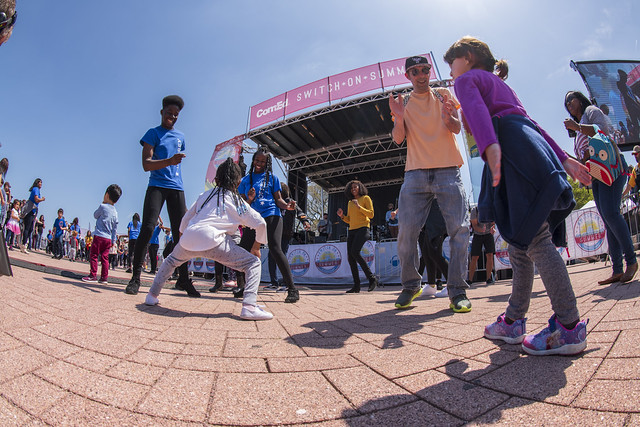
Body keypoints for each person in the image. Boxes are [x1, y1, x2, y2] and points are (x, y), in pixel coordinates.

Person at [445, 36, 591, 355]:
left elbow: (477, 112)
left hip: (507, 148)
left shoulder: (467, 79)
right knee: (519, 245)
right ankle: (513, 320)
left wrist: (490, 145)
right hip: (527, 145)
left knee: (535, 240)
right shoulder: (501, 85)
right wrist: (564, 159)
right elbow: (532, 123)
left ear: (467, 57)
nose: (451, 71)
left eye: (451, 63)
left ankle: (568, 326)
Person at [388, 55, 470, 312]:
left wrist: (450, 119)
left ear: (429, 71)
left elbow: (457, 128)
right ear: (408, 76)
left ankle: (457, 291)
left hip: (448, 170)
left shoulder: (444, 93)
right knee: (406, 233)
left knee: (459, 230)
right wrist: (399, 117)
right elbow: (398, 139)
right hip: (415, 173)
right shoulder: (405, 101)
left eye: (425, 69)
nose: (421, 75)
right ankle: (411, 285)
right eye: (415, 71)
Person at [145, 158, 273, 320]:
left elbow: (184, 221)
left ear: (216, 179)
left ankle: (152, 295)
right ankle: (249, 306)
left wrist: (186, 241)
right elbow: (261, 223)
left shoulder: (204, 196)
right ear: (238, 182)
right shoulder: (237, 201)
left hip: (190, 236)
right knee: (253, 264)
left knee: (170, 261)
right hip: (216, 241)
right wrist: (255, 248)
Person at [125, 95, 200, 298]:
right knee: (148, 227)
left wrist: (172, 162)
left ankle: (183, 279)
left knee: (181, 233)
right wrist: (169, 161)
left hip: (177, 188)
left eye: (176, 115)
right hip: (156, 186)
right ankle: (135, 278)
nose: (172, 117)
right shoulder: (153, 133)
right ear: (161, 112)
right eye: (169, 113)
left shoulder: (181, 137)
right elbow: (146, 164)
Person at [564, 90, 638, 285]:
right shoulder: (577, 131)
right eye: (566, 103)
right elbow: (585, 157)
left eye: (571, 99)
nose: (568, 103)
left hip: (611, 169)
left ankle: (631, 261)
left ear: (580, 99)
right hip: (597, 175)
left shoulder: (591, 111)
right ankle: (617, 269)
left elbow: (603, 131)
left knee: (612, 214)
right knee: (607, 219)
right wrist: (570, 158)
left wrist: (578, 126)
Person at [237, 148, 300, 303]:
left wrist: (287, 206)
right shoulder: (246, 180)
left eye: (262, 161)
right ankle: (242, 286)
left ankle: (292, 289)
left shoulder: (273, 178)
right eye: (257, 161)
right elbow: (242, 205)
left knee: (275, 248)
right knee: (241, 250)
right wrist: (250, 199)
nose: (259, 164)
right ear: (253, 161)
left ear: (267, 163)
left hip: (272, 214)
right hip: (254, 218)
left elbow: (278, 199)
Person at [266, 183, 311, 290]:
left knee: (282, 257)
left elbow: (300, 212)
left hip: (286, 234)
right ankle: (274, 283)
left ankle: (287, 283)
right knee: (271, 258)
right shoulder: (274, 203)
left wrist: (305, 221)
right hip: (274, 234)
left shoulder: (289, 201)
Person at [337, 180, 378, 293]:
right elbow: (349, 220)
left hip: (363, 228)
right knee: (350, 257)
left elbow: (371, 214)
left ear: (360, 188)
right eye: (351, 188)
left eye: (355, 187)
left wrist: (359, 207)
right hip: (352, 230)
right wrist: (342, 216)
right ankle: (356, 285)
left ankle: (372, 278)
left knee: (355, 252)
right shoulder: (350, 202)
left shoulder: (366, 198)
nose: (353, 189)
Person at [82, 185, 121, 284]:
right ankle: (104, 277)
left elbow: (95, 215)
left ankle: (93, 275)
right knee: (105, 258)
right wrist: (113, 241)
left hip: (99, 236)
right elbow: (114, 229)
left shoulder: (103, 206)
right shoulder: (115, 212)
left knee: (94, 255)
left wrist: (102, 204)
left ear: (106, 195)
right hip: (108, 239)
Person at [468, 206, 496, 285]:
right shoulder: (475, 210)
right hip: (477, 235)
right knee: (474, 257)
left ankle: (488, 278)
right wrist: (481, 230)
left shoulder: (490, 208)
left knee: (490, 255)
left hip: (488, 235)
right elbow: (474, 225)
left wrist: (492, 228)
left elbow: (493, 223)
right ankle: (470, 279)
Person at [20, 178, 45, 254]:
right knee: (27, 228)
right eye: (40, 182)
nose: (41, 184)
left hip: (33, 211)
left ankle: (24, 243)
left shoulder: (37, 190)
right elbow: (36, 199)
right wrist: (42, 199)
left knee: (30, 229)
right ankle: (23, 244)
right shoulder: (36, 189)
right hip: (30, 210)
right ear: (37, 183)